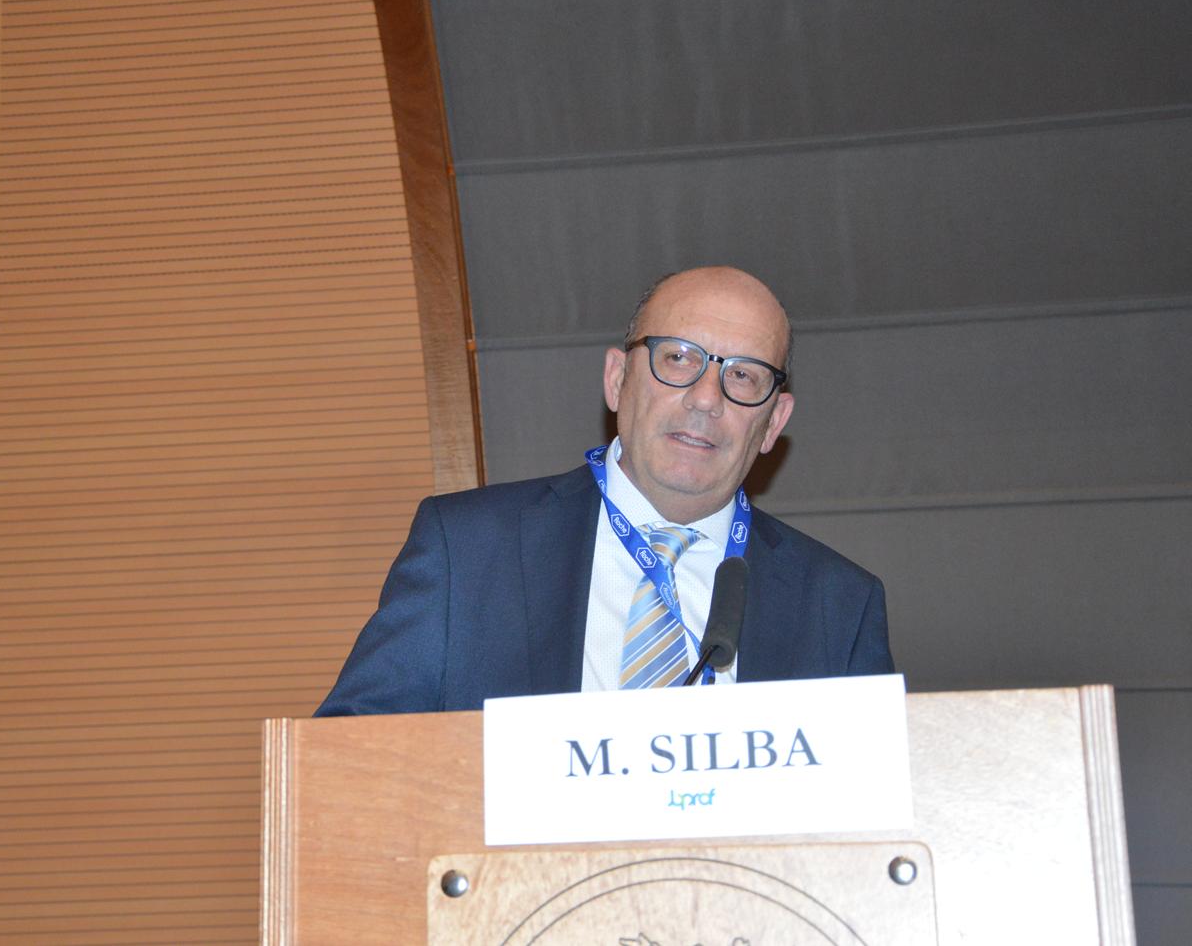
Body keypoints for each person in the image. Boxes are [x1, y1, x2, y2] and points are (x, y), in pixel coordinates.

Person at [316, 266, 893, 715]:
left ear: (773, 422)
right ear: (617, 379)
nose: (706, 398)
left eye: (742, 375)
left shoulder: (838, 603)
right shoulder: (467, 549)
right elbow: (351, 756)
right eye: (678, 358)